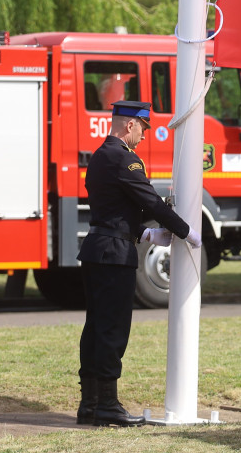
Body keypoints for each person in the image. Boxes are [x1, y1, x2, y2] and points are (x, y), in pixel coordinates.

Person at [77, 100, 200, 427]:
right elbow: (148, 201)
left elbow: (116, 208)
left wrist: (145, 235)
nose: (145, 136)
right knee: (112, 330)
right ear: (130, 124)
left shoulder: (101, 155)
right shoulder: (123, 158)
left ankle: (89, 403)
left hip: (99, 248)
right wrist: (186, 231)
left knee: (95, 328)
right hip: (113, 255)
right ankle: (106, 405)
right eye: (143, 128)